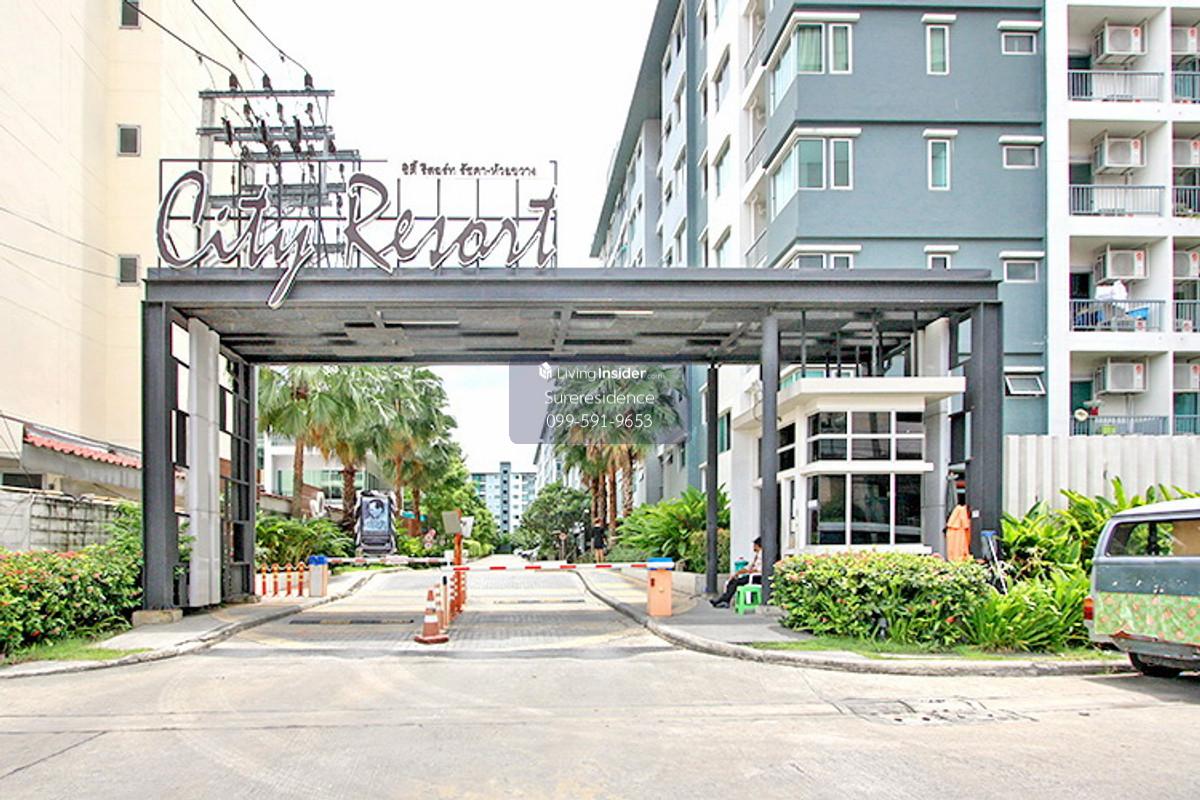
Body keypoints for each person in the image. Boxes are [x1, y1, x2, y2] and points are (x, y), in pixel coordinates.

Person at [710, 537, 762, 608]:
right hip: (751, 576)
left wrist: (747, 571)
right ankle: (725, 600)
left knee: (735, 582)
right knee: (733, 580)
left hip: (756, 577)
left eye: (754, 545)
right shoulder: (757, 555)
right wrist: (737, 573)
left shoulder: (761, 556)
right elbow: (748, 567)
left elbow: (758, 570)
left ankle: (724, 600)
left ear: (758, 545)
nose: (753, 547)